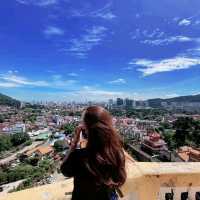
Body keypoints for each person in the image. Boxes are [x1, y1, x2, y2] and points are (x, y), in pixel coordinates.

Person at [60, 106, 127, 200]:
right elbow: (118, 179)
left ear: (87, 129)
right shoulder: (117, 153)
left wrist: (74, 144)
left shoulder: (80, 156)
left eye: (83, 123)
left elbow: (64, 170)